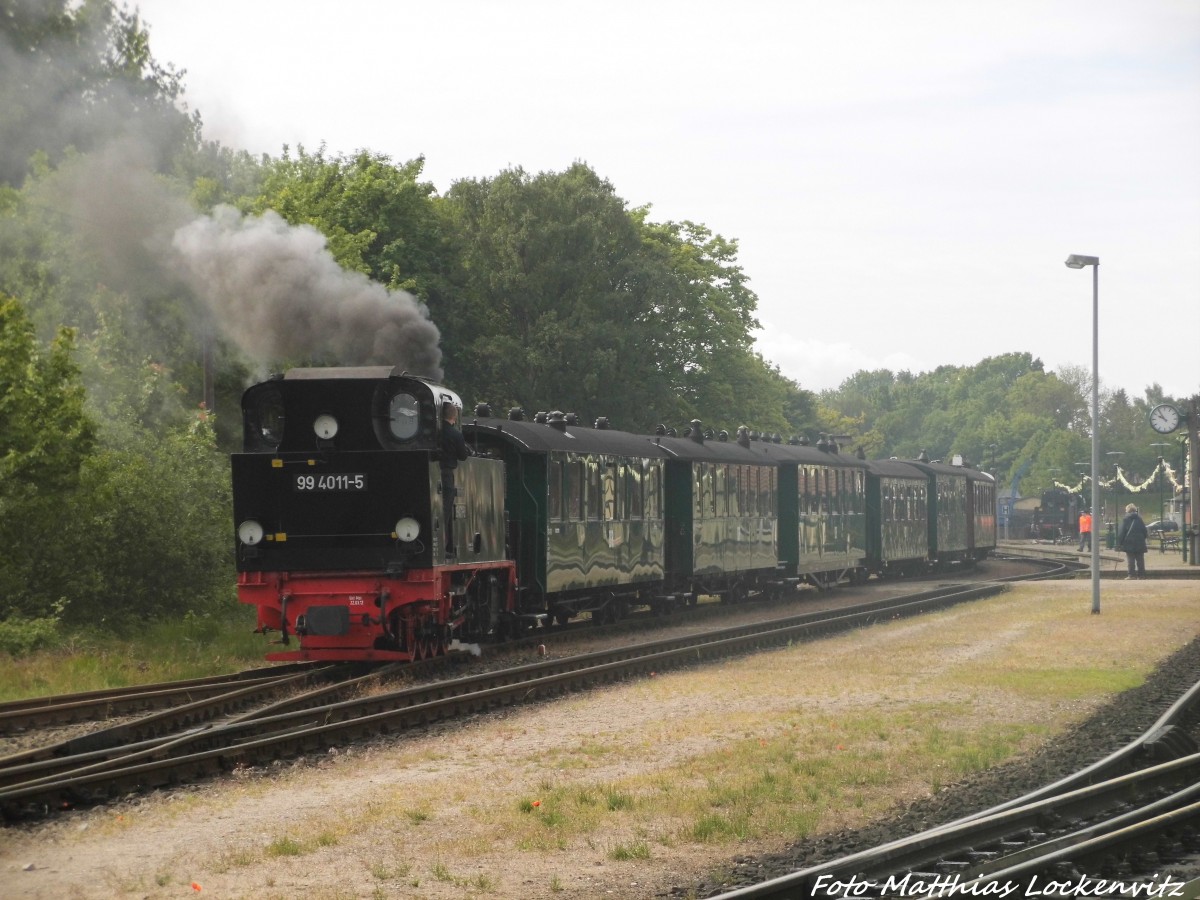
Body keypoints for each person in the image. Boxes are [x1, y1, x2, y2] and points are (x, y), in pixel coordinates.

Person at [440, 402, 469, 555]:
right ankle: (444, 544)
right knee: (446, 509)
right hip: (446, 473)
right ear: (454, 417)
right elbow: (463, 456)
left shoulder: (434, 432)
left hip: (432, 472)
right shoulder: (455, 434)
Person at [1116, 503, 1148, 579]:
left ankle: (1131, 575)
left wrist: (1119, 543)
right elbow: (1145, 531)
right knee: (1140, 559)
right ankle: (1141, 575)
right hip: (1140, 542)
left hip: (1129, 542)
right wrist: (1142, 538)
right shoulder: (1140, 519)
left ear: (1127, 511)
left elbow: (1122, 532)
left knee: (1131, 559)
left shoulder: (1125, 519)